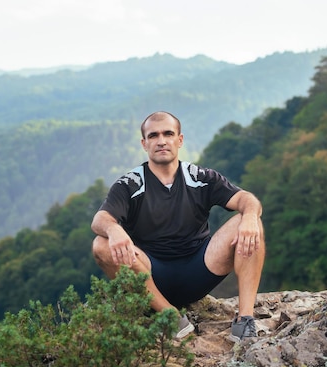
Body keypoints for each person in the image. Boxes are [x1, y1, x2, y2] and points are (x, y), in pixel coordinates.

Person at [91, 111, 265, 341]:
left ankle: (244, 322)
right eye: (153, 135)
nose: (161, 141)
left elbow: (246, 199)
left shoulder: (201, 177)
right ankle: (170, 317)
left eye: (168, 133)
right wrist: (114, 229)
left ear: (179, 140)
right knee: (101, 245)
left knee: (250, 223)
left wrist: (251, 216)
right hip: (151, 277)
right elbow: (100, 220)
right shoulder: (130, 184)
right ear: (144, 144)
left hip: (200, 269)